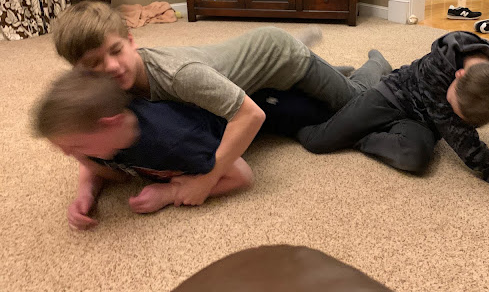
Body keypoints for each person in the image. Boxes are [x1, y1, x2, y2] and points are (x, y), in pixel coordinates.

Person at [52, 1, 391, 209]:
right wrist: (86, 190)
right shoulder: (111, 89)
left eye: (115, 51)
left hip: (280, 56)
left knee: (354, 101)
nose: (111, 67)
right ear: (78, 72)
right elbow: (94, 142)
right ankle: (332, 71)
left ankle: (376, 64)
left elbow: (250, 115)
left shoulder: (178, 75)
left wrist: (205, 181)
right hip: (244, 74)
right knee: (310, 88)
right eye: (94, 64)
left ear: (130, 41)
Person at [296, 31, 489, 203]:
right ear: (459, 75)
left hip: (425, 120)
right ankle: (376, 64)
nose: (455, 113)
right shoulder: (438, 65)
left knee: (414, 159)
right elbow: (455, 130)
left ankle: (360, 132)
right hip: (394, 94)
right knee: (317, 141)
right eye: (453, 104)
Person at [34, 70, 334, 230]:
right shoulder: (101, 143)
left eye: (74, 147)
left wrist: (170, 193)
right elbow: (91, 164)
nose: (71, 156)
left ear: (109, 124)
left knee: (330, 109)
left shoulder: (173, 141)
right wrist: (85, 192)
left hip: (265, 103)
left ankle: (352, 76)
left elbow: (242, 176)